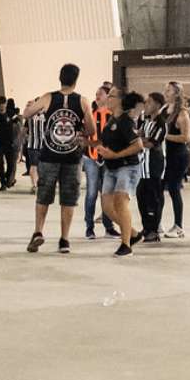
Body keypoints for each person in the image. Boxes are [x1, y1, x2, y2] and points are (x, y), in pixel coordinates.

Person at [24, 64, 87, 254]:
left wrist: (33, 108)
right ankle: (64, 239)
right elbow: (91, 129)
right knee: (68, 199)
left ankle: (38, 232)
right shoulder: (82, 101)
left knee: (43, 195)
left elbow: (26, 114)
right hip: (72, 157)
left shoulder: (48, 97)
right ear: (76, 79)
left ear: (60, 78)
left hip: (49, 155)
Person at [99, 89, 145, 256]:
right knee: (106, 206)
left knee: (120, 202)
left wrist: (116, 155)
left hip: (127, 167)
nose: (107, 98)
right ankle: (132, 233)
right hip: (111, 168)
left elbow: (138, 146)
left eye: (110, 96)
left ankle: (126, 245)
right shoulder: (110, 120)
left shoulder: (126, 121)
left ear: (119, 100)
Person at [83, 82, 117, 240]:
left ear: (108, 97)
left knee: (107, 194)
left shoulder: (114, 116)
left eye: (100, 94)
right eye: (96, 94)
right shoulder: (90, 114)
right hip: (91, 158)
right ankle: (89, 227)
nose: (97, 96)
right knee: (91, 193)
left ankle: (108, 227)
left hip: (108, 159)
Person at [137, 91, 169, 242]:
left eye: (149, 102)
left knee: (154, 197)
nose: (146, 105)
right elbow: (140, 136)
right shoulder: (146, 121)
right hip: (143, 166)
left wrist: (139, 140)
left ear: (157, 105)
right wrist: (141, 138)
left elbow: (151, 143)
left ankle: (154, 229)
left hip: (154, 165)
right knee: (141, 195)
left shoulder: (161, 123)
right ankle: (147, 226)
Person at [161, 82, 190, 238]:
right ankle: (157, 224)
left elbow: (186, 137)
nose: (165, 92)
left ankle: (179, 226)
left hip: (178, 156)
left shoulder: (182, 113)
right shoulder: (164, 110)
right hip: (165, 155)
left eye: (169, 90)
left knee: (174, 189)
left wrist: (165, 136)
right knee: (159, 189)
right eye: (165, 89)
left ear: (177, 93)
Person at [0, 96, 20, 191]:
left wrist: (16, 136)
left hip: (9, 142)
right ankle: (2, 183)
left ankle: (7, 178)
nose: (1, 106)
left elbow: (18, 123)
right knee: (0, 162)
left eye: (3, 104)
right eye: (0, 105)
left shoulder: (10, 113)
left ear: (6, 104)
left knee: (11, 164)